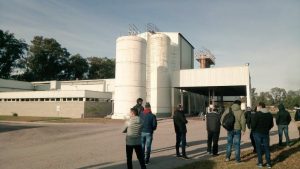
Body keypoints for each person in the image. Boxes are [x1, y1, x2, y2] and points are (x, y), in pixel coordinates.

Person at [252, 102, 274, 168]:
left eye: (258, 106)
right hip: (265, 133)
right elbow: (271, 125)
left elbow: (253, 125)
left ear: (260, 106)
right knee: (267, 148)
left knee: (259, 148)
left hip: (257, 133)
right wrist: (267, 129)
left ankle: (260, 163)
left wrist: (253, 130)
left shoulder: (257, 114)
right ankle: (269, 163)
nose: (257, 107)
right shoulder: (269, 114)